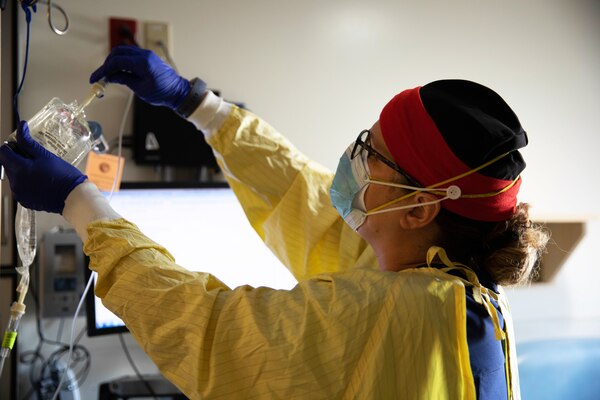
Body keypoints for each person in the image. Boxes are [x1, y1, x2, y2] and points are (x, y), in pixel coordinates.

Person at [0, 46, 549, 399]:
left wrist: (79, 200)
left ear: (418, 208)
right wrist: (198, 106)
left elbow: (210, 333)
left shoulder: (399, 314)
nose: (353, 160)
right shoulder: (455, 292)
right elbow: (299, 201)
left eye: (372, 154)